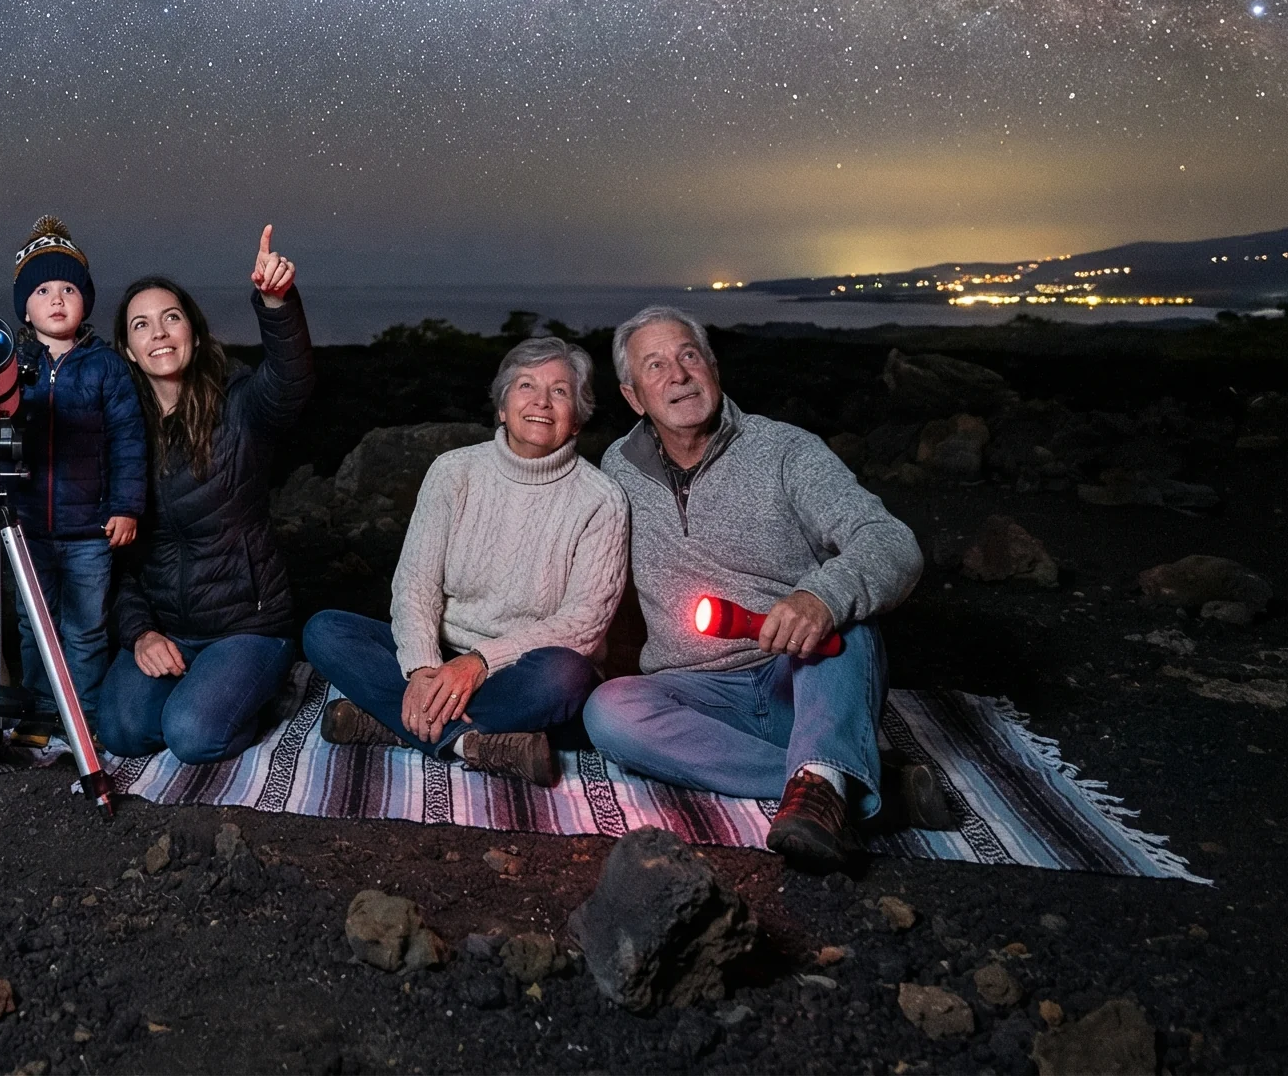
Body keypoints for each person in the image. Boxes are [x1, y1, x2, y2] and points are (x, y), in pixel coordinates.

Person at [579, 305, 934, 871]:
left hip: (801, 682)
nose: (678, 375)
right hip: (700, 699)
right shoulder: (617, 470)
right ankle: (839, 784)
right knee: (608, 712)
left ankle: (825, 775)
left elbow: (891, 541)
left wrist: (819, 597)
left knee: (849, 627)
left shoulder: (787, 451)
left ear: (713, 368)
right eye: (655, 366)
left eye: (689, 356)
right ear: (633, 396)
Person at [301, 335, 627, 785]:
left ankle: (393, 726)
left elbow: (584, 623)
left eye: (560, 391)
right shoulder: (453, 472)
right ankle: (469, 744)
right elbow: (416, 584)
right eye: (526, 386)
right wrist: (422, 669)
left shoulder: (602, 500)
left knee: (566, 677)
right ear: (502, 407)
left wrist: (479, 663)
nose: (542, 401)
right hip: (441, 656)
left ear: (577, 420)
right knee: (325, 631)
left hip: (521, 672)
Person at [98, 227, 313, 764]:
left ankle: (254, 694)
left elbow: (290, 383)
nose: (159, 333)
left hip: (247, 627)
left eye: (171, 317)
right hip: (170, 630)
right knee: (121, 731)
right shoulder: (122, 435)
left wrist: (276, 302)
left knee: (191, 735)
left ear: (192, 331)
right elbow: (118, 561)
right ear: (128, 350)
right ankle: (209, 691)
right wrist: (141, 634)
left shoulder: (239, 405)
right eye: (141, 325)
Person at [5, 217, 146, 741]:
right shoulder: (12, 365)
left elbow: (128, 440)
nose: (57, 300)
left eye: (68, 289)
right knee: (34, 624)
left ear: (85, 301)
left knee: (86, 627)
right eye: (42, 290)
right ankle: (42, 711)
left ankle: (82, 717)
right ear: (25, 307)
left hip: (90, 530)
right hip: (26, 529)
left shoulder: (106, 367)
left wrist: (126, 505)